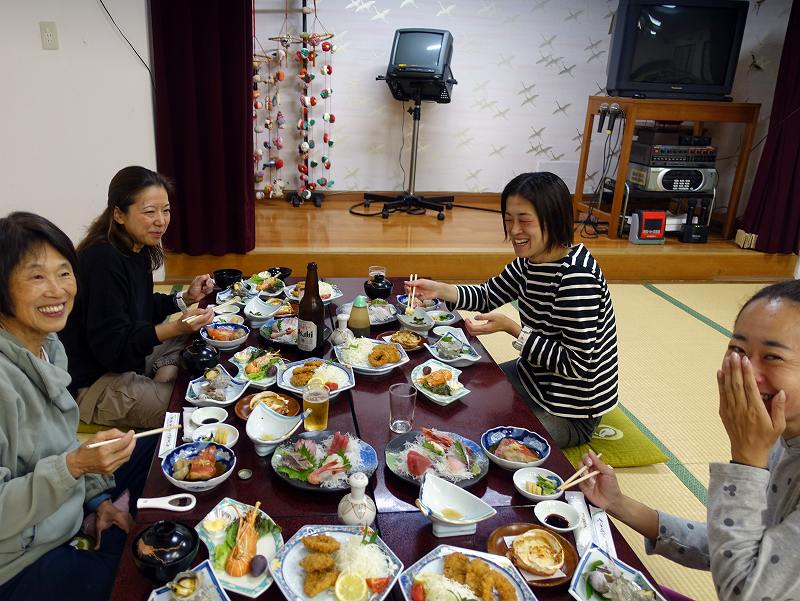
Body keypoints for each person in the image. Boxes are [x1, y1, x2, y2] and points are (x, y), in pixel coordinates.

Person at [578, 280, 800, 600]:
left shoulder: (759, 445)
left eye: (773, 357)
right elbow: (734, 544)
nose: (746, 374)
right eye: (738, 351)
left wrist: (746, 462)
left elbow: (744, 591)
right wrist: (619, 503)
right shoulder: (779, 437)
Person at [0, 212, 152, 601]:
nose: (57, 290)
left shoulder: (48, 346)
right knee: (142, 578)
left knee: (159, 454)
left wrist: (97, 500)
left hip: (59, 512)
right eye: (36, 276)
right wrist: (75, 467)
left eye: (64, 273)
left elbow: (60, 442)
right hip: (17, 560)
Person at [407, 172, 618, 447]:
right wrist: (441, 290)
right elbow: (487, 294)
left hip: (570, 411)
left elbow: (578, 365)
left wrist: (513, 329)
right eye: (509, 220)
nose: (514, 230)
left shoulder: (577, 278)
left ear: (553, 218)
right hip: (531, 378)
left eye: (525, 220)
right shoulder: (530, 262)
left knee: (489, 442)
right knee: (458, 382)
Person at [60, 166, 214, 429]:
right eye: (149, 212)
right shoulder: (102, 260)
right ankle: (158, 384)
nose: (161, 220)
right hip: (97, 384)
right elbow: (114, 350)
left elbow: (139, 309)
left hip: (128, 362)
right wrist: (174, 325)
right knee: (196, 408)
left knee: (198, 338)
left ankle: (157, 383)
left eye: (165, 210)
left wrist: (185, 298)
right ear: (119, 214)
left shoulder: (135, 246)